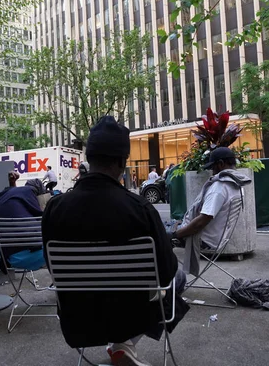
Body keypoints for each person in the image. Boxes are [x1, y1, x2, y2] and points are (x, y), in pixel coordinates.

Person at [42, 116, 188, 366]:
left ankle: (122, 346)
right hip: (134, 316)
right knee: (180, 275)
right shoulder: (141, 209)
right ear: (122, 162)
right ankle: (125, 343)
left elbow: (52, 268)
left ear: (88, 159)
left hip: (79, 319)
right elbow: (165, 273)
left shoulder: (54, 209)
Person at [172, 147, 252, 252]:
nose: (212, 171)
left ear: (221, 164)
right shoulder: (237, 185)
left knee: (156, 233)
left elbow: (200, 222)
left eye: (213, 167)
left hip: (203, 240)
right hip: (217, 239)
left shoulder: (219, 188)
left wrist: (176, 235)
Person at [0, 170, 43, 271]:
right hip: (35, 254)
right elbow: (42, 215)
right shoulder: (29, 192)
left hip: (11, 259)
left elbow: (13, 205)